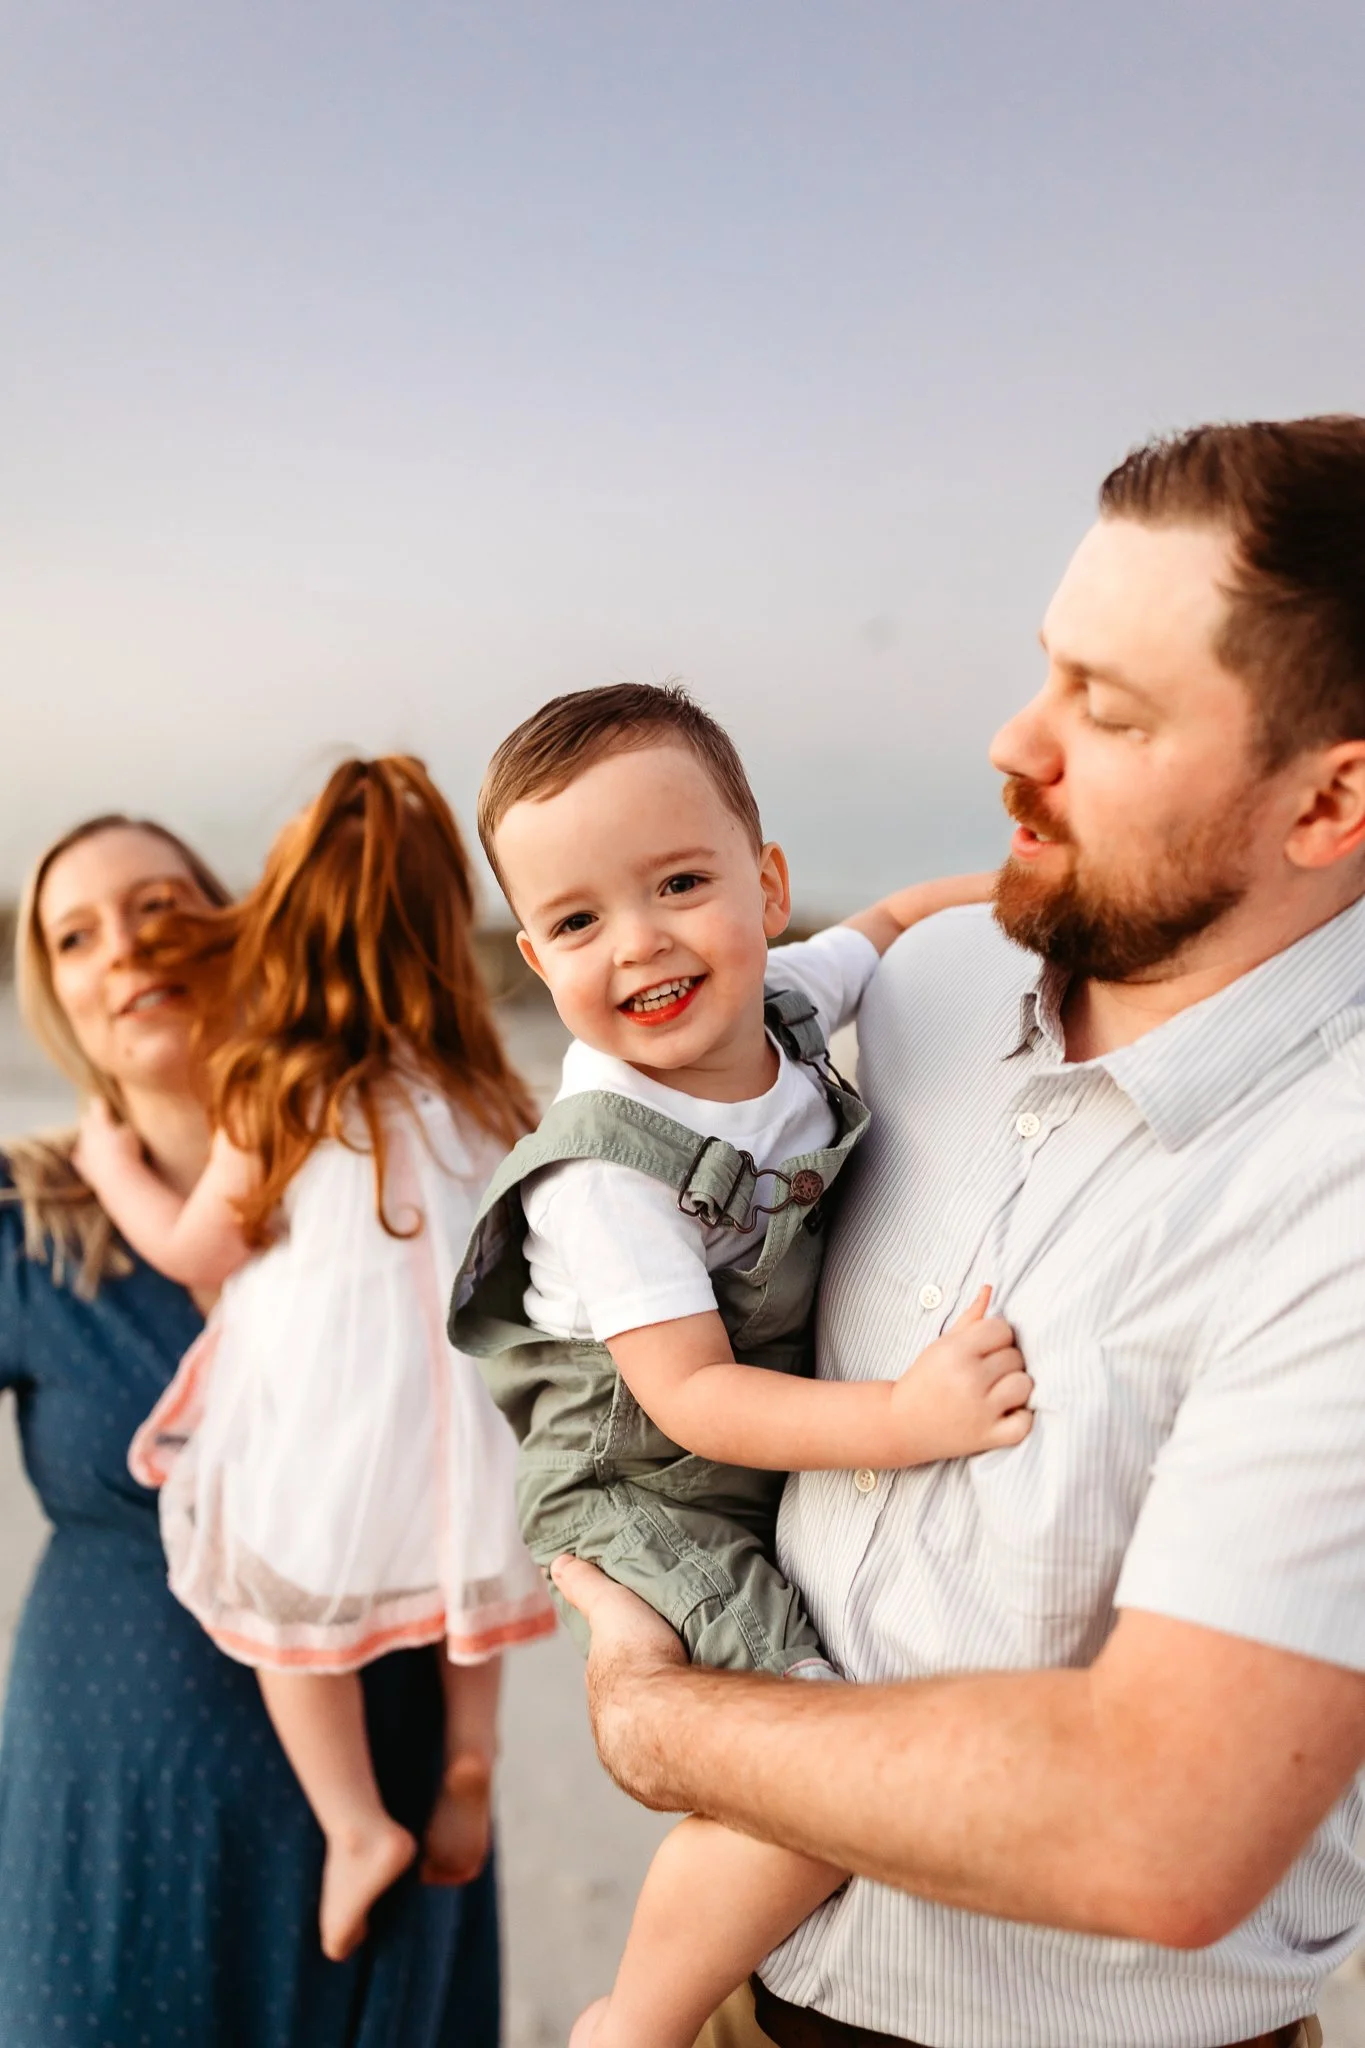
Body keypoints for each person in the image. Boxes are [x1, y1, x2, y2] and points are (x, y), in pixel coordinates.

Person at [551, 416, 1365, 2048]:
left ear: (1331, 798)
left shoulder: (1337, 1183)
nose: (1016, 740)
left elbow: (1163, 1827)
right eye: (1047, 669)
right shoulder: (927, 993)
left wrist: (662, 1724)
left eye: (1107, 711)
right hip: (740, 1991)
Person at [452, 684, 1021, 2048]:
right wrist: (908, 1416)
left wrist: (1038, 889)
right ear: (535, 956)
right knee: (807, 1765)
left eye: (680, 882)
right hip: (641, 1486)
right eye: (580, 920)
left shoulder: (778, 998)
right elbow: (688, 1396)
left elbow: (890, 925)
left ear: (765, 886)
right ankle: (632, 2022)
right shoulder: (609, 1169)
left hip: (726, 1451)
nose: (640, 942)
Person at [0, 807, 505, 2046]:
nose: (127, 948)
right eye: (76, 934)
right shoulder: (22, 1219)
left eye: (162, 907)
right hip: (115, 1793)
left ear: (242, 933)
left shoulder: (385, 1152)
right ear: (57, 994)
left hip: (396, 1765)